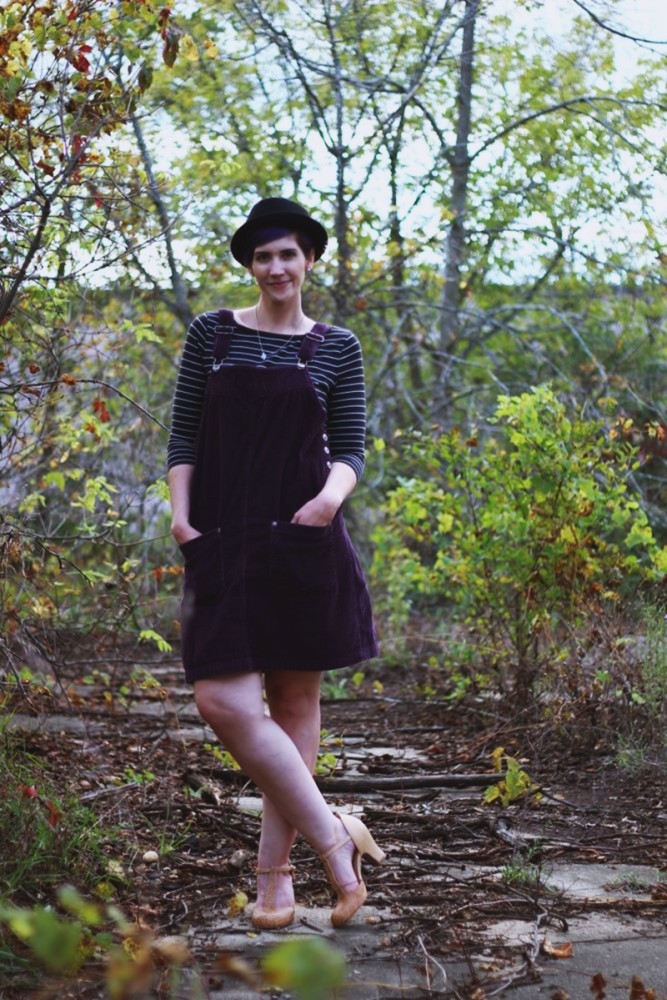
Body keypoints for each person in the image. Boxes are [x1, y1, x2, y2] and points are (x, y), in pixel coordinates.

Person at [167, 197, 384, 930]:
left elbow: (351, 446)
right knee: (221, 700)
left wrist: (327, 501)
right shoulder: (212, 335)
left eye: (288, 253)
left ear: (310, 260)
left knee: (294, 706)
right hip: (223, 538)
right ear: (249, 266)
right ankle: (334, 839)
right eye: (263, 256)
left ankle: (273, 887)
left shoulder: (336, 346)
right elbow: (183, 437)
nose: (276, 267)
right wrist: (181, 515)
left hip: (302, 537)